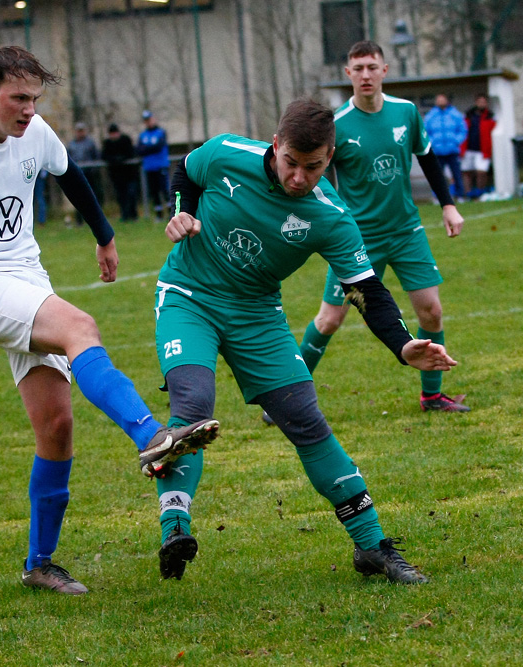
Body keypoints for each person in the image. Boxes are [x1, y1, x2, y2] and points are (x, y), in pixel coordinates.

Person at [0, 45, 219, 596]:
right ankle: (151, 435)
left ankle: (40, 563)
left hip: (26, 277)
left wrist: (105, 237)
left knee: (57, 427)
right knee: (80, 326)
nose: (30, 110)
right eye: (19, 98)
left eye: (35, 98)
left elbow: (71, 176)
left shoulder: (33, 131)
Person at [153, 98, 456, 583]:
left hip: (257, 315)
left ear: (329, 159)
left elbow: (364, 290)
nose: (299, 177)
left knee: (306, 420)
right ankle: (175, 526)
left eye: (313, 167)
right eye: (291, 162)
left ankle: (372, 546)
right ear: (275, 146)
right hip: (190, 296)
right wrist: (183, 213)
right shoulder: (226, 152)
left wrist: (402, 345)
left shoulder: (330, 215)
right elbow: (184, 171)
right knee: (194, 403)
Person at [292, 40, 468, 415]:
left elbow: (429, 159)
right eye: (358, 69)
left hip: (406, 232)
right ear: (348, 75)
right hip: (357, 240)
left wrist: (448, 205)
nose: (366, 75)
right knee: (330, 319)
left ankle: (432, 396)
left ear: (385, 70)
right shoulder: (336, 126)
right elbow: (318, 176)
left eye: (372, 67)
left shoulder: (406, 113)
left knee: (431, 312)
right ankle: (286, 400)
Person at [423, 93, 467, 198]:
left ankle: (460, 195)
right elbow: (425, 132)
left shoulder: (455, 114)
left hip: (452, 150)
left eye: (443, 100)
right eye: (439, 100)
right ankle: (438, 196)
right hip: (437, 151)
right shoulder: (431, 116)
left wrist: (456, 141)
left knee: (456, 174)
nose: (441, 102)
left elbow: (463, 130)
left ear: (447, 101)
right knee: (437, 175)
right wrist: (433, 143)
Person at [102, 123, 139, 222]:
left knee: (131, 195)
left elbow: (130, 153)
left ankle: (134, 215)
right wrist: (115, 160)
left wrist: (121, 159)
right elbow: (104, 156)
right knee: (121, 197)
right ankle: (124, 215)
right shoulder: (108, 143)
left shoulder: (125, 140)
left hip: (129, 174)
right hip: (117, 176)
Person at [461, 93, 496, 198]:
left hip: (483, 149)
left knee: (481, 172)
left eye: (483, 102)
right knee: (467, 172)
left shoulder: (490, 116)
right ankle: (468, 194)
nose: (481, 104)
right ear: (476, 103)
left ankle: (480, 193)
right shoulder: (469, 115)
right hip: (469, 148)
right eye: (479, 102)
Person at [67, 121, 103, 225]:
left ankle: (95, 220)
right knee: (78, 198)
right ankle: (79, 220)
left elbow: (96, 157)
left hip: (89, 174)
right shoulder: (72, 145)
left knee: (92, 197)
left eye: (82, 131)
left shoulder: (90, 143)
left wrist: (93, 170)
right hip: (76, 175)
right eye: (78, 131)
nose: (80, 133)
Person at [137, 110, 170, 220]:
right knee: (154, 192)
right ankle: (159, 215)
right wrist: (150, 148)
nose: (148, 122)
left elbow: (159, 146)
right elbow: (140, 150)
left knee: (165, 190)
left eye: (149, 119)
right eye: (146, 120)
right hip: (149, 167)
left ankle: (171, 213)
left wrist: (148, 148)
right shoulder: (143, 135)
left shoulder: (161, 132)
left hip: (161, 165)